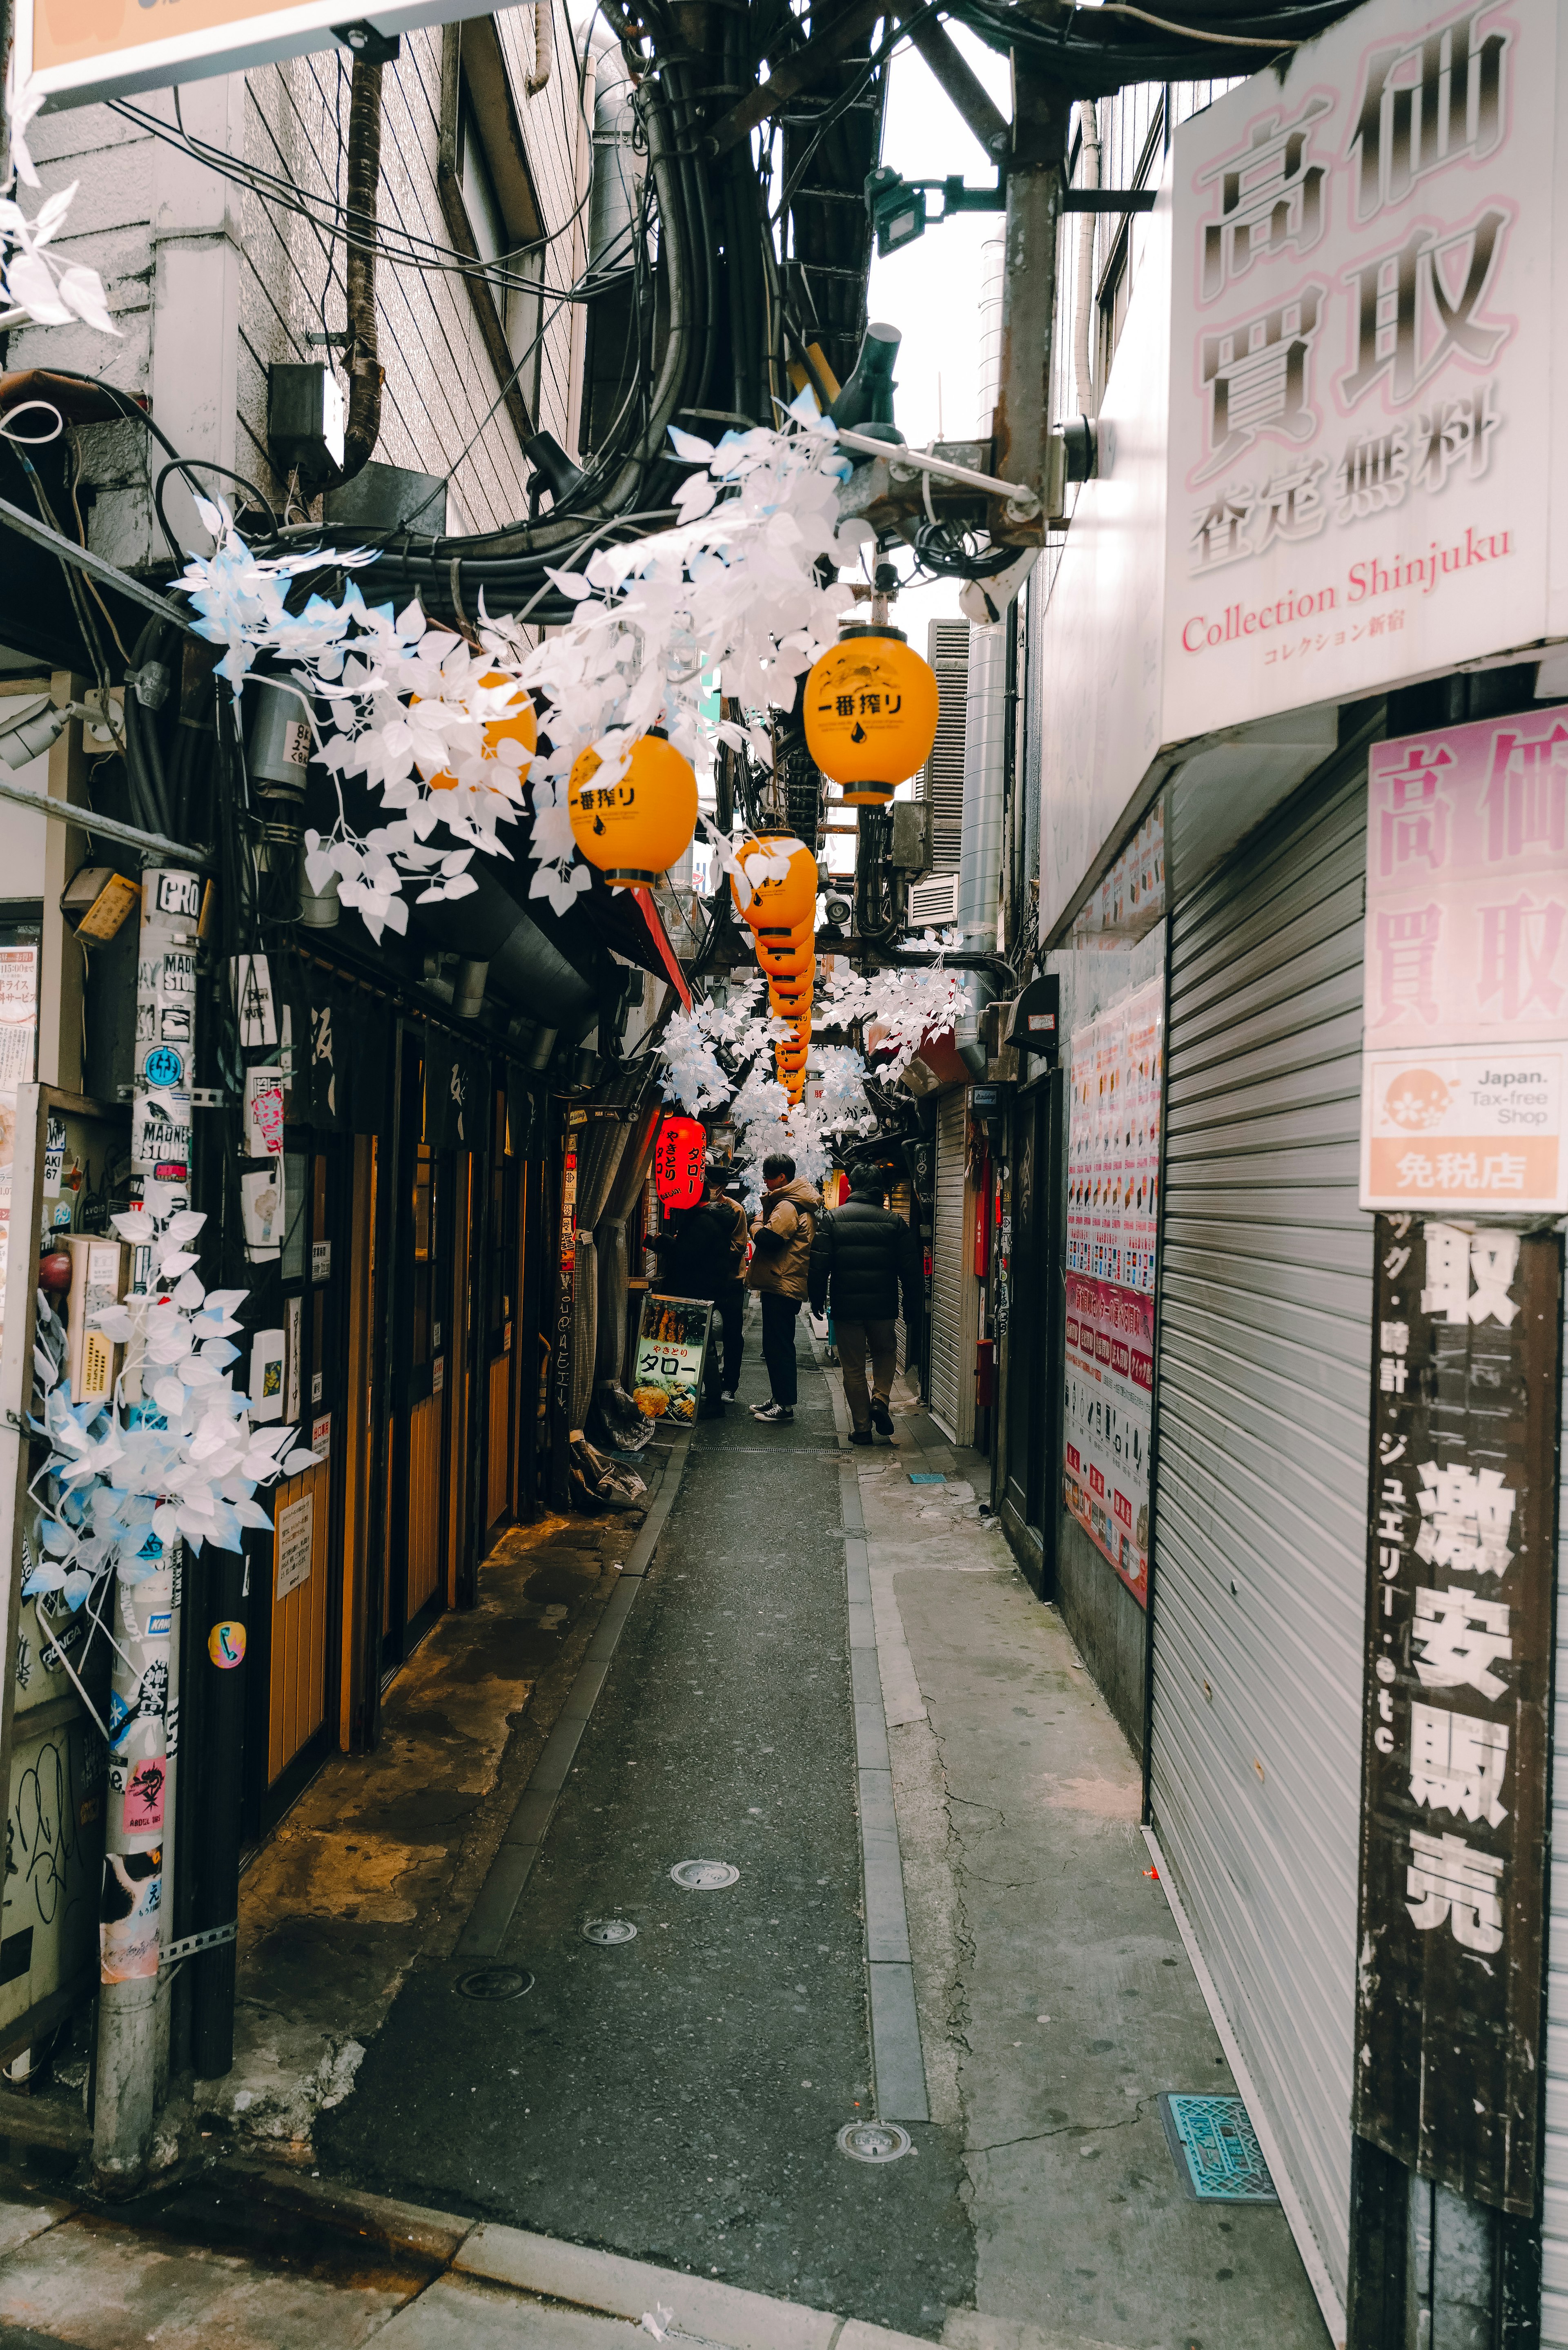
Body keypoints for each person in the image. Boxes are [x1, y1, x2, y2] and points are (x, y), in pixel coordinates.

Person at [807, 1164, 921, 1445]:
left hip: (847, 1306)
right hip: (882, 1305)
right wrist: (913, 1303)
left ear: (853, 1187)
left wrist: (817, 1298)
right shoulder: (894, 1221)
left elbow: (819, 1264)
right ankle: (881, 1400)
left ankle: (861, 1429)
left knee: (854, 1367)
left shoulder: (832, 1219)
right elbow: (911, 1269)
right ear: (879, 1189)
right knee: (885, 1352)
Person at [654, 1169, 747, 1416]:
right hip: (708, 1287)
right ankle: (712, 1399)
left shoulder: (703, 1220)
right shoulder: (716, 1217)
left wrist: (662, 1242)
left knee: (698, 1345)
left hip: (693, 1288)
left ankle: (707, 1401)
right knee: (704, 1346)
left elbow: (686, 1255)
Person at [746, 1151, 820, 1425]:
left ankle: (785, 1406)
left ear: (782, 1177)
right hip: (782, 1281)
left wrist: (755, 1223)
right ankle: (779, 1398)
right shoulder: (791, 1202)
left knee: (780, 1347)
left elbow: (769, 1240)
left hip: (782, 1283)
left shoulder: (788, 1206)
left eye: (769, 1177)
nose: (765, 1181)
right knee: (776, 1345)